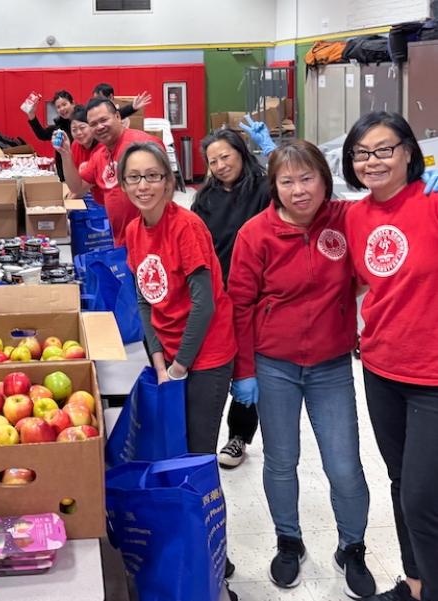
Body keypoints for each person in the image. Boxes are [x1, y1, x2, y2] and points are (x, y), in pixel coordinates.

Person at [228, 140, 374, 596]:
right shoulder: (256, 233)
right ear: (274, 187)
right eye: (287, 181)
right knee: (281, 461)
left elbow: (371, 263)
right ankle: (288, 540)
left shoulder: (345, 220)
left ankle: (352, 547)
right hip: (275, 366)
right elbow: (240, 304)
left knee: (345, 464)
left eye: (307, 178)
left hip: (331, 365)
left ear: (325, 180)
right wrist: (244, 370)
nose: (299, 190)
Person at [341, 112, 438, 601]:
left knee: (424, 498)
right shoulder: (355, 216)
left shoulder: (432, 199)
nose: (372, 161)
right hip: (381, 367)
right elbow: (363, 281)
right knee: (402, 483)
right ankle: (416, 583)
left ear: (408, 151)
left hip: (433, 374)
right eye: (362, 152)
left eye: (383, 149)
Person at [120, 141, 237, 455]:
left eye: (152, 176)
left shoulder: (186, 227)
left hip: (206, 354)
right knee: (172, 447)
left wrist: (178, 368)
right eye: (134, 177)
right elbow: (145, 300)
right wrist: (159, 362)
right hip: (169, 352)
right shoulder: (133, 231)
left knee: (197, 453)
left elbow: (204, 304)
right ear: (123, 184)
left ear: (168, 182)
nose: (143, 185)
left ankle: (201, 506)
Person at [192, 127, 272, 469]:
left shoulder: (264, 189)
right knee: (216, 364)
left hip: (257, 292)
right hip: (217, 292)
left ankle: (239, 436)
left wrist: (271, 150)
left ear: (241, 152)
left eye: (226, 156)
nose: (221, 165)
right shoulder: (205, 198)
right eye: (213, 161)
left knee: (246, 365)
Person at [58, 97, 164, 246]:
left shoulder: (142, 144)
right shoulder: (99, 155)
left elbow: (166, 187)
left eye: (103, 120)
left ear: (118, 116)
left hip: (151, 239)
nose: (99, 127)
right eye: (93, 124)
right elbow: (77, 187)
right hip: (121, 239)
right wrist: (65, 154)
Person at [26, 90, 75, 180]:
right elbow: (42, 134)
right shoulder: (58, 127)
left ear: (72, 103)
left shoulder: (83, 123)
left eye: (64, 104)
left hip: (82, 174)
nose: (62, 109)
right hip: (64, 175)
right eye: (58, 107)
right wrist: (31, 114)